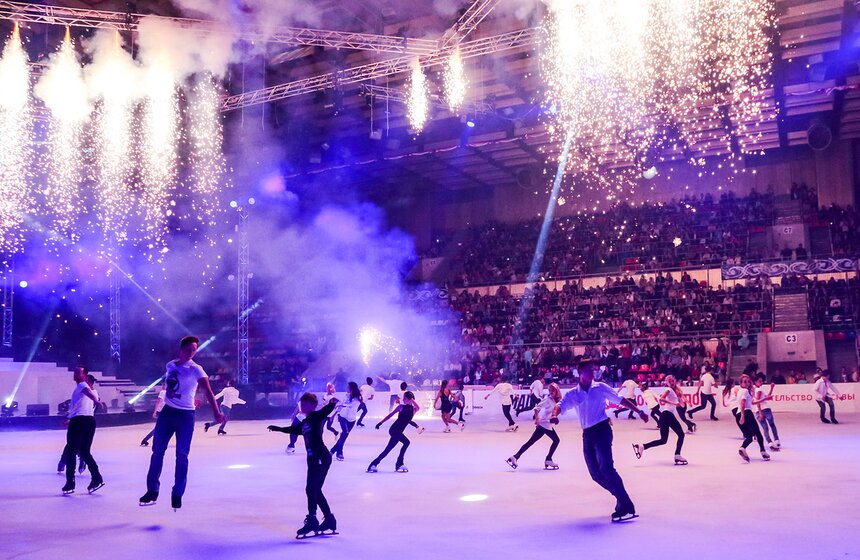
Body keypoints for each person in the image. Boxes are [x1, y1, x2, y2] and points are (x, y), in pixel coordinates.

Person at [139, 336, 225, 510]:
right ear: (181, 349)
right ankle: (152, 490)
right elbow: (169, 387)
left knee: (182, 455)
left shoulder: (196, 369)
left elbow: (208, 391)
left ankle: (177, 493)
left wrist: (217, 413)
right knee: (157, 452)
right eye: (188, 349)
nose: (191, 353)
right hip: (167, 413)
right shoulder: (170, 365)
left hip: (185, 416)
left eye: (194, 350)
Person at [558, 362, 648, 522]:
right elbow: (561, 405)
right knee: (595, 474)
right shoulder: (573, 393)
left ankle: (626, 504)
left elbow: (620, 400)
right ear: (579, 373)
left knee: (606, 469)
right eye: (588, 371)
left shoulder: (599, 387)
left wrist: (639, 411)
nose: (592, 373)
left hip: (602, 431)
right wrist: (554, 415)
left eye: (593, 370)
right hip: (587, 434)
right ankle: (621, 499)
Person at [268, 392, 339, 538]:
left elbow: (324, 411)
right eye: (301, 404)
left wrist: (332, 403)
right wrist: (278, 429)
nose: (302, 406)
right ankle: (329, 520)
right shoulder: (306, 422)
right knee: (315, 490)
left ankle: (312, 519)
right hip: (314, 458)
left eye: (306, 404)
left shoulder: (315, 416)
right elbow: (295, 430)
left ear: (313, 406)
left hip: (320, 457)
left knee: (311, 489)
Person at [60, 368, 106, 495]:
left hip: (79, 422)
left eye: (78, 373)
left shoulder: (82, 385)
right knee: (85, 452)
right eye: (75, 372)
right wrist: (69, 417)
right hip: (89, 421)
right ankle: (97, 478)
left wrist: (96, 401)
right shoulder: (91, 390)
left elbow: (87, 393)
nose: (75, 374)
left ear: (85, 376)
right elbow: (80, 405)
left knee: (71, 452)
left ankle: (70, 483)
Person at [632, 375, 688, 465]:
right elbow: (662, 398)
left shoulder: (674, 391)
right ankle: (677, 455)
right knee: (681, 434)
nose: (671, 382)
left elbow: (681, 405)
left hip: (665, 416)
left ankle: (642, 446)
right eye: (669, 381)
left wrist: (681, 398)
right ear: (667, 383)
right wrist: (673, 403)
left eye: (672, 380)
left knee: (663, 440)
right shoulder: (669, 390)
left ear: (675, 381)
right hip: (667, 415)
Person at [506, 383, 562, 470]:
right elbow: (536, 408)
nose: (551, 392)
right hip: (544, 424)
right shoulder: (547, 399)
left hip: (546, 424)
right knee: (556, 440)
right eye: (550, 390)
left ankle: (515, 456)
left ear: (557, 390)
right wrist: (537, 419)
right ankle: (548, 459)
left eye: (552, 390)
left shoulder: (556, 400)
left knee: (530, 442)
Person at [367, 391, 420, 473]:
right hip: (394, 430)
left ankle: (373, 464)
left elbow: (418, 408)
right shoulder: (401, 407)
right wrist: (380, 423)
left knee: (388, 449)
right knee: (406, 442)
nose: (403, 399)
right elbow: (390, 415)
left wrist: (412, 400)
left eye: (405, 398)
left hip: (399, 431)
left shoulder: (413, 409)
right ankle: (399, 464)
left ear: (409, 399)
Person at [734, 374, 770, 463]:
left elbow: (752, 402)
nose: (747, 383)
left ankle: (742, 448)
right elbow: (743, 403)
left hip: (738, 414)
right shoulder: (745, 391)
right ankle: (763, 451)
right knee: (758, 433)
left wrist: (764, 399)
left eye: (748, 382)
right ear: (741, 383)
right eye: (745, 382)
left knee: (749, 437)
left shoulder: (741, 391)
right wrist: (743, 416)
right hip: (746, 413)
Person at [329, 381, 362, 461]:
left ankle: (333, 451)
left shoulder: (357, 398)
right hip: (342, 417)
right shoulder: (346, 396)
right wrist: (333, 414)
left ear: (351, 388)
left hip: (351, 419)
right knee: (345, 433)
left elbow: (350, 406)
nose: (346, 388)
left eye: (348, 387)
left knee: (343, 436)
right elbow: (340, 406)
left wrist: (341, 405)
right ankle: (339, 453)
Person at [753, 374, 780, 451]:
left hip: (758, 411)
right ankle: (776, 440)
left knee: (765, 428)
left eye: (761, 381)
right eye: (759, 381)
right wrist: (761, 413)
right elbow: (758, 402)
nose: (761, 382)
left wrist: (771, 388)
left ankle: (770, 442)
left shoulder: (753, 390)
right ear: (755, 382)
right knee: (772, 425)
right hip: (764, 409)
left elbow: (767, 397)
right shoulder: (758, 390)